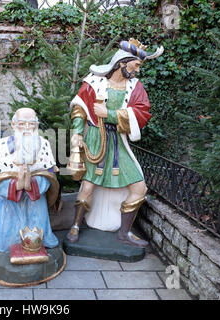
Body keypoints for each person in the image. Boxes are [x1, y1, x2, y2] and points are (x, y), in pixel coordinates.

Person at [67, 39, 163, 247]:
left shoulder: (135, 87)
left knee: (139, 188)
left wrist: (109, 114)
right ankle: (75, 225)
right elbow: (79, 109)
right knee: (88, 187)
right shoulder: (93, 81)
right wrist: (77, 137)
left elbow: (142, 113)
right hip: (95, 140)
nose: (138, 70)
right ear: (122, 62)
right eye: (136, 64)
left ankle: (124, 233)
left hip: (119, 142)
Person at [0, 108, 60, 252]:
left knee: (37, 218)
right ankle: (6, 241)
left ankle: (39, 240)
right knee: (5, 230)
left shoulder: (44, 145)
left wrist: (31, 184)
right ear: (13, 124)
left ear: (37, 125)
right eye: (22, 124)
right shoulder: (0, 146)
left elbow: (50, 176)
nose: (27, 128)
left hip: (35, 200)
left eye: (32, 124)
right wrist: (15, 186)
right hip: (6, 202)